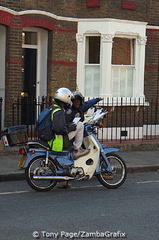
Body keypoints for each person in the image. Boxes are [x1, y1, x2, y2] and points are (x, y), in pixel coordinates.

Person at [48, 87, 90, 159]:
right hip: (59, 140)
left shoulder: (52, 108)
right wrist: (71, 127)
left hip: (53, 137)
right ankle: (77, 150)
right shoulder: (59, 112)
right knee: (80, 125)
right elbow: (59, 129)